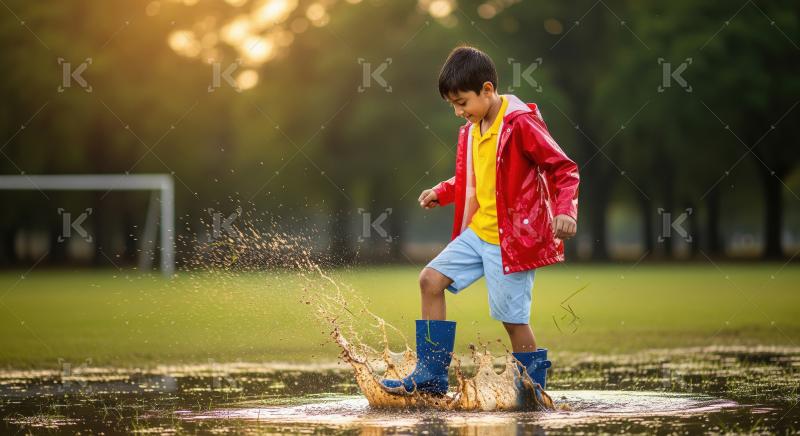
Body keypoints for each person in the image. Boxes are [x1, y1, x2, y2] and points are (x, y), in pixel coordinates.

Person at [380, 46, 580, 398]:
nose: (459, 112)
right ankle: (431, 374)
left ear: (487, 90)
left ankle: (531, 395)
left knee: (513, 321)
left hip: (513, 240)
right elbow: (475, 179)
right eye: (453, 105)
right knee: (430, 280)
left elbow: (562, 168)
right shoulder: (472, 129)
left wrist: (565, 209)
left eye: (462, 102)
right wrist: (442, 191)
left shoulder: (520, 123)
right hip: (479, 232)